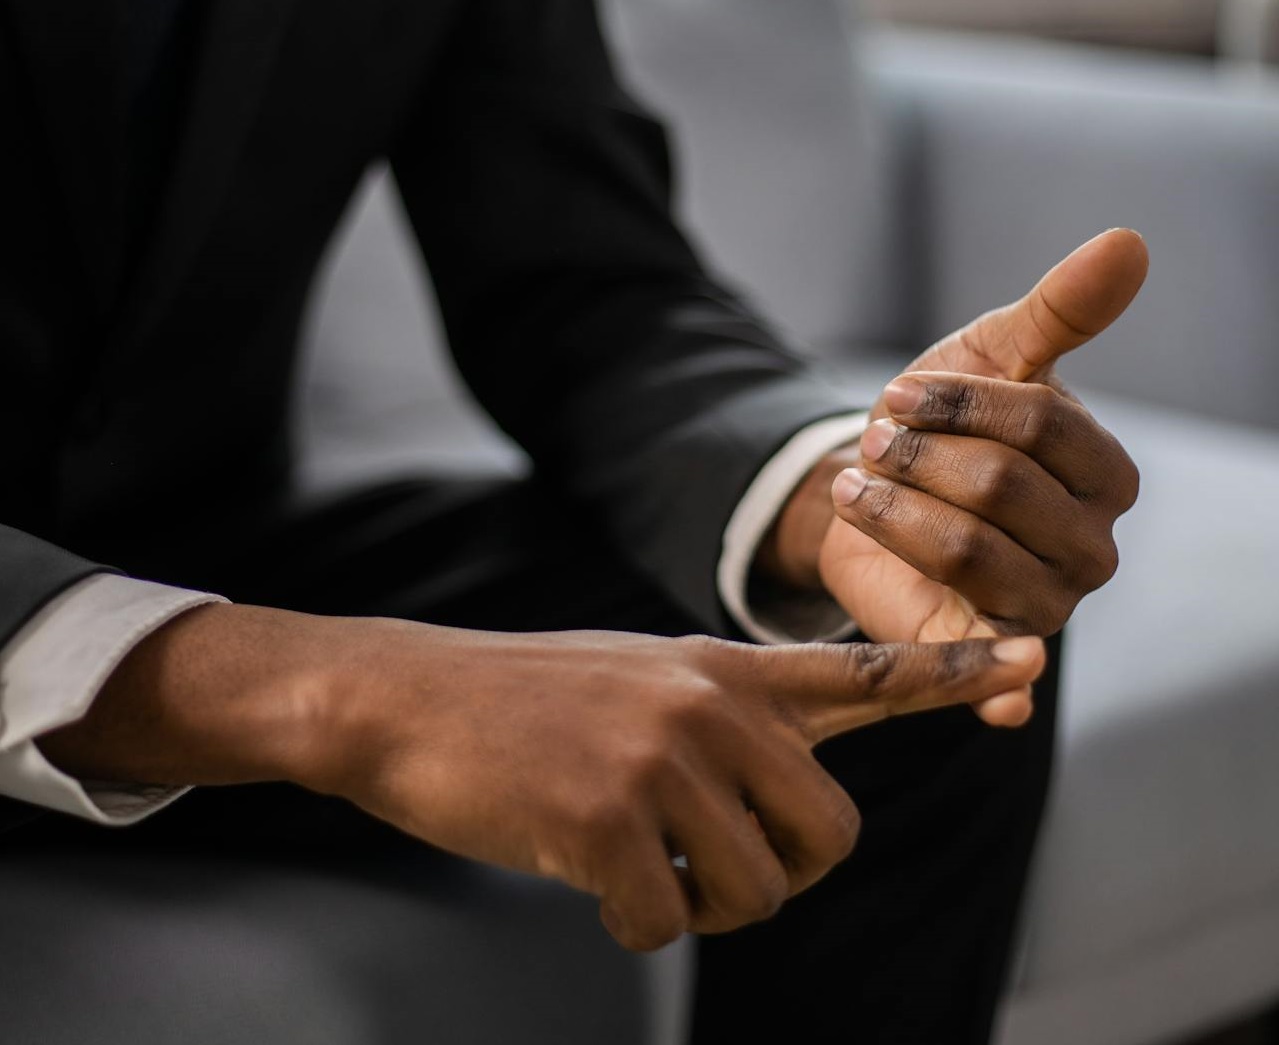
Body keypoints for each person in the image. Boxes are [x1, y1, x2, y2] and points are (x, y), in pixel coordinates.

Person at [0, 1, 1144, 1041]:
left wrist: (844, 489)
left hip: (201, 549)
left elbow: (583, 289)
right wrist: (346, 695)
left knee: (918, 642)